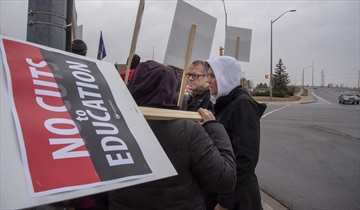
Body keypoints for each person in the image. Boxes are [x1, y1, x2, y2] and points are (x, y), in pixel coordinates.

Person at [107, 60, 236, 210]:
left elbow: (96, 188)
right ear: (169, 88)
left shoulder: (109, 127)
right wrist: (214, 127)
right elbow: (225, 179)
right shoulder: (189, 131)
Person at [204, 56, 267, 210]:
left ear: (225, 77)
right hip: (220, 190)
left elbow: (246, 158)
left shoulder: (243, 105)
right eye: (208, 75)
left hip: (238, 199)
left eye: (213, 76)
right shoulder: (222, 102)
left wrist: (226, 201)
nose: (208, 81)